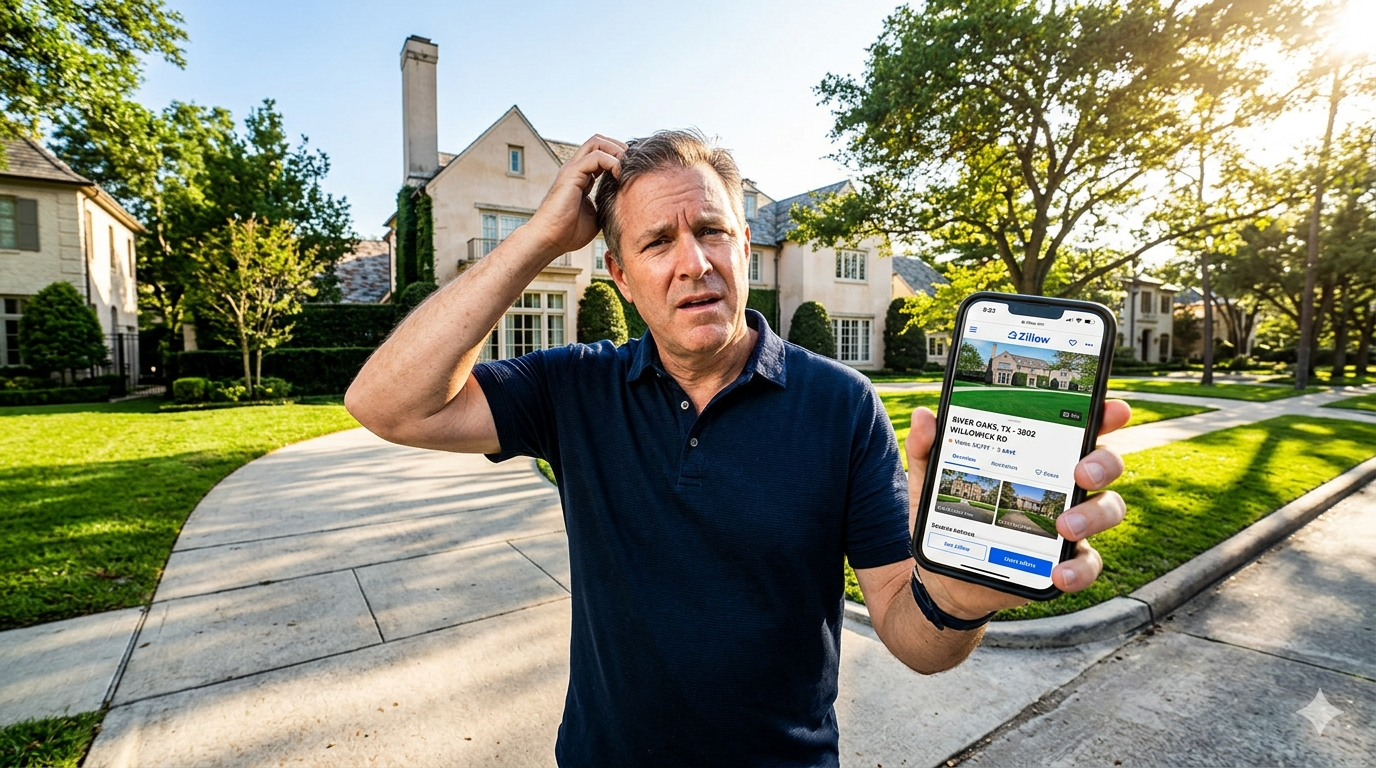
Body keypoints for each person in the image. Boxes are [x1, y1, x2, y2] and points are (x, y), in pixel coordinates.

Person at [345, 130, 1130, 766]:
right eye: (657, 242)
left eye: (712, 229)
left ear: (744, 245)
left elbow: (916, 640)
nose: (694, 261)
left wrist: (962, 592)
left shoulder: (840, 405)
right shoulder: (574, 389)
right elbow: (386, 404)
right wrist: (543, 236)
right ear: (617, 274)